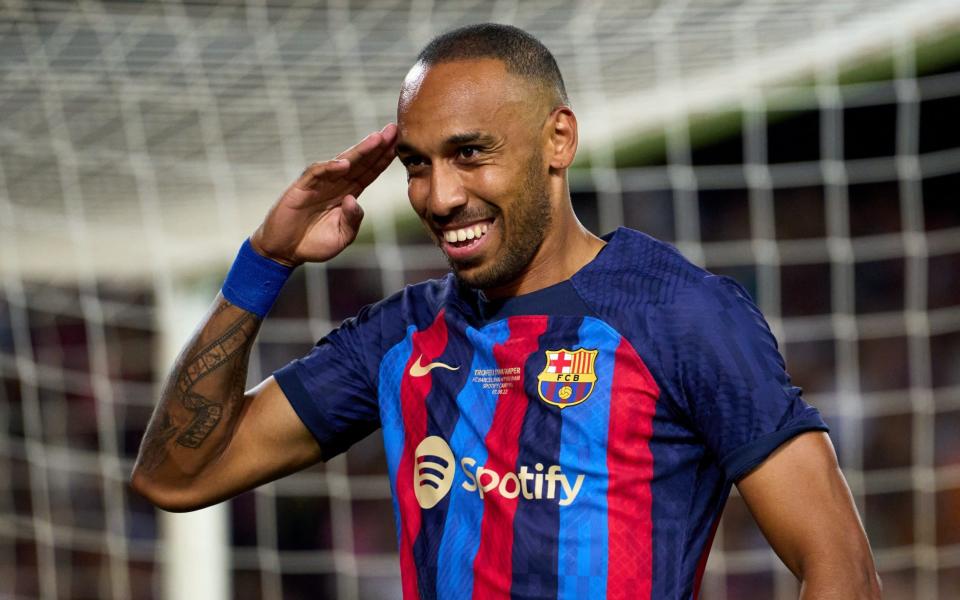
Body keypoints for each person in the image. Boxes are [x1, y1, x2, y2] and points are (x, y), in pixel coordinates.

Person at [131, 23, 881, 600]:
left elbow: (840, 566)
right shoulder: (402, 336)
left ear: (559, 140)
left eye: (469, 153)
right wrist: (266, 261)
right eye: (417, 165)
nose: (439, 195)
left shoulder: (680, 315)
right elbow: (176, 478)